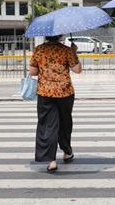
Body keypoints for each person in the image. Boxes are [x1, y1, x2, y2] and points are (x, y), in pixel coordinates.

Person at [29, 35, 82, 172]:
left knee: (47, 125)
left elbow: (33, 72)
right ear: (60, 36)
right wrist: (74, 51)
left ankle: (51, 160)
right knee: (65, 123)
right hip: (65, 93)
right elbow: (77, 70)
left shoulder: (39, 50)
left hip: (45, 93)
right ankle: (67, 151)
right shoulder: (66, 50)